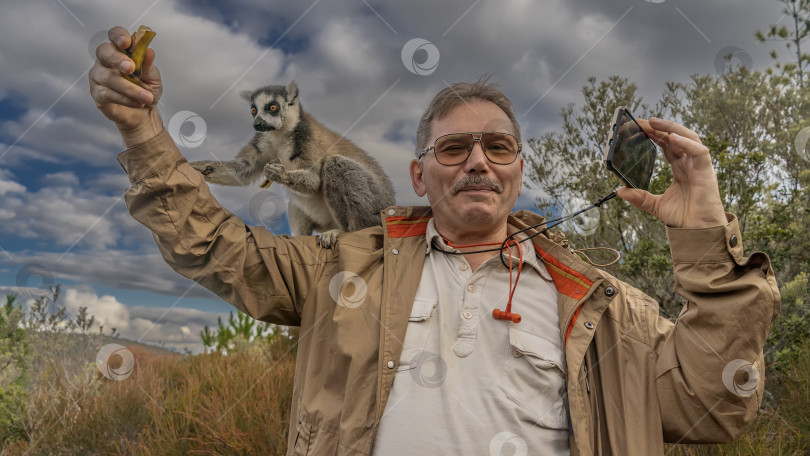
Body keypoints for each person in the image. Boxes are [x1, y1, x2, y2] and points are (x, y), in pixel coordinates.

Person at [90, 26, 780, 456]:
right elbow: (220, 250)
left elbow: (711, 405)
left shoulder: (599, 303)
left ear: (516, 171)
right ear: (419, 174)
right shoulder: (346, 266)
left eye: (497, 146)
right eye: (453, 148)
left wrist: (703, 236)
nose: (477, 160)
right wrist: (142, 135)